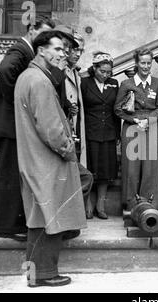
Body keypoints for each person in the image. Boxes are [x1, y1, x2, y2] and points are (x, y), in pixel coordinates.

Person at [14, 30, 87, 287]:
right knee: (50, 218)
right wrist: (69, 150)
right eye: (57, 49)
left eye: (65, 50)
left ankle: (35, 275)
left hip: (35, 160)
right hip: (47, 161)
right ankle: (44, 274)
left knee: (39, 219)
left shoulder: (29, 77)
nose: (63, 54)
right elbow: (50, 129)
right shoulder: (40, 81)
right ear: (41, 49)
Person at [0, 16, 55, 241]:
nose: (43, 40)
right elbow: (4, 70)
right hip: (9, 124)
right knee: (11, 174)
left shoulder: (26, 50)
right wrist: (19, 102)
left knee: (7, 173)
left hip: (7, 124)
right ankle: (7, 226)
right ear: (31, 29)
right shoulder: (20, 49)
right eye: (42, 35)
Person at [115, 48, 158, 219]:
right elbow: (117, 109)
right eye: (142, 63)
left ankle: (149, 206)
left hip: (151, 127)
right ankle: (131, 205)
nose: (145, 66)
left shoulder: (157, 83)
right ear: (136, 63)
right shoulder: (126, 84)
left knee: (151, 167)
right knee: (131, 168)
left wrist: (149, 120)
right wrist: (135, 120)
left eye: (148, 63)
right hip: (132, 128)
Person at [51, 25, 94, 220]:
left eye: (80, 50)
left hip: (74, 127)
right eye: (74, 49)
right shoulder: (58, 71)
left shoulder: (76, 72)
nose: (76, 53)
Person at [81, 52, 120, 219]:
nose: (106, 75)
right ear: (94, 69)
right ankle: (87, 203)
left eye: (108, 72)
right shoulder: (84, 83)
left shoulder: (114, 83)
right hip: (90, 132)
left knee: (105, 170)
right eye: (102, 71)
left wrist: (117, 133)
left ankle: (101, 205)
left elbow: (116, 109)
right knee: (90, 168)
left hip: (109, 132)